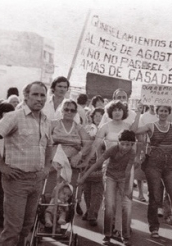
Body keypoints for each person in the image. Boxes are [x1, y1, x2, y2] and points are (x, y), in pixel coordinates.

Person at [0, 81, 52, 246]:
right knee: (12, 230)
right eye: (35, 94)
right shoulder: (14, 116)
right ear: (26, 96)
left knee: (26, 227)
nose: (39, 98)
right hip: (17, 180)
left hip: (36, 180)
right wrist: (1, 165)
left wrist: (46, 168)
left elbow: (49, 145)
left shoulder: (45, 120)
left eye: (42, 95)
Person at [131, 104, 172, 241]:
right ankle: (154, 228)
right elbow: (134, 131)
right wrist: (138, 112)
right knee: (155, 198)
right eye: (161, 110)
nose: (163, 113)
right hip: (153, 165)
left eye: (165, 111)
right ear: (157, 112)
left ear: (168, 112)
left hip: (169, 165)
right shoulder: (150, 125)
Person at [81, 100, 137, 241]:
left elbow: (134, 146)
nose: (117, 112)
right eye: (115, 109)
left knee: (125, 201)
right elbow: (95, 146)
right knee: (110, 202)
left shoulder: (128, 126)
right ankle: (109, 231)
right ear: (110, 112)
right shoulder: (105, 126)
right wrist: (86, 162)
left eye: (120, 109)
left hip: (126, 169)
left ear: (124, 112)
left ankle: (122, 229)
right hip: (110, 166)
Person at [46, 99, 91, 208]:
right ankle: (46, 215)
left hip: (71, 163)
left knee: (67, 193)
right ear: (62, 111)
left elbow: (88, 143)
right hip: (54, 163)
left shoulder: (78, 127)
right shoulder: (53, 124)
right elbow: (44, 141)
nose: (69, 112)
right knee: (48, 193)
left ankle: (63, 216)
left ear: (76, 112)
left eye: (72, 110)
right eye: (66, 109)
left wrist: (79, 154)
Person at [81, 108, 105, 226]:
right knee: (87, 191)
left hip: (100, 163)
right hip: (87, 162)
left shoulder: (106, 128)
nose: (98, 117)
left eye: (101, 115)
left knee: (97, 191)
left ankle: (92, 214)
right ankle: (89, 210)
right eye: (96, 115)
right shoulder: (87, 128)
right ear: (92, 116)